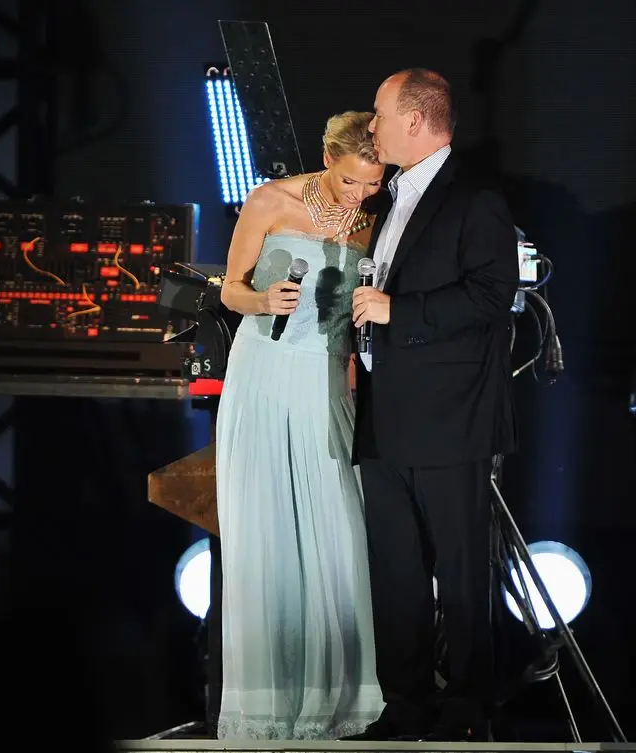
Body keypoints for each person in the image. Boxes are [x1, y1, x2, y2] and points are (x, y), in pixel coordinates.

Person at [348, 68, 518, 742]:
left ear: (416, 120)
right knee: (396, 575)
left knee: (461, 572)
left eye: (381, 113)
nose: (371, 125)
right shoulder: (388, 200)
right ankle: (407, 705)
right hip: (385, 416)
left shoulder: (473, 199)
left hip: (451, 418)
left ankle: (470, 708)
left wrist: (398, 310)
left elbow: (491, 295)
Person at [214, 111, 386, 740]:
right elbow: (227, 287)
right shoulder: (271, 201)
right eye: (351, 182)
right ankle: (267, 703)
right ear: (328, 159)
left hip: (326, 379)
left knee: (336, 532)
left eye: (372, 183)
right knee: (268, 534)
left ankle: (335, 696)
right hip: (264, 367)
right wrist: (260, 300)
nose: (360, 194)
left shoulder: (374, 216)